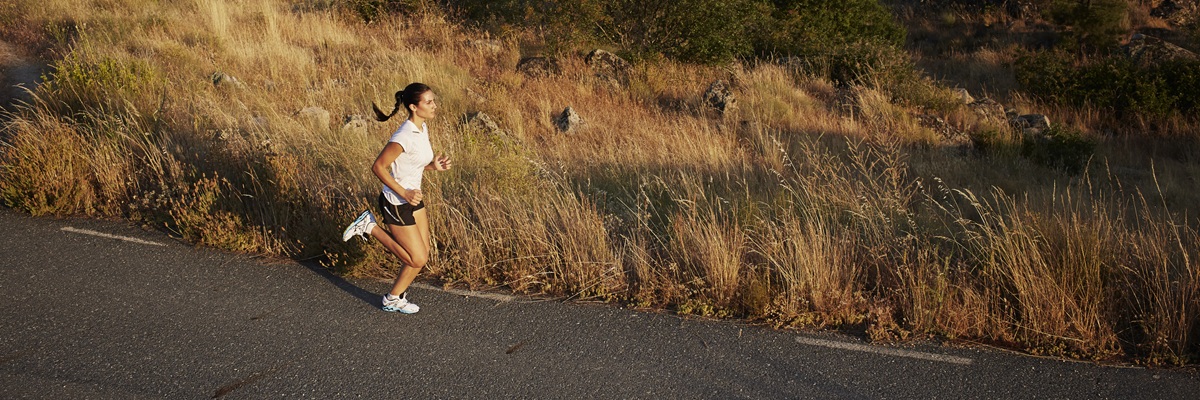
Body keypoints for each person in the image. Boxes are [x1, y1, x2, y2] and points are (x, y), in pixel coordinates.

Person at [342, 82, 451, 313]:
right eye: (428, 102)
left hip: (412, 199)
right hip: (396, 201)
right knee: (417, 259)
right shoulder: (404, 135)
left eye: (433, 100)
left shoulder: (422, 129)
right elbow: (379, 167)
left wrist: (433, 166)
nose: (434, 105)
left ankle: (395, 298)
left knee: (422, 254)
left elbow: (412, 165)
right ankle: (369, 226)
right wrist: (404, 192)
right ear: (413, 106)